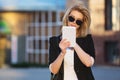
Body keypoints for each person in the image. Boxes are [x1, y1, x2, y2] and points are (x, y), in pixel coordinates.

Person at [49, 0, 95, 80]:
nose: (74, 22)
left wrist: (74, 43)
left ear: (81, 24)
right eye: (71, 18)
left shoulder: (87, 39)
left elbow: (89, 63)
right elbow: (53, 71)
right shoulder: (54, 41)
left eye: (78, 21)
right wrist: (62, 53)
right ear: (67, 18)